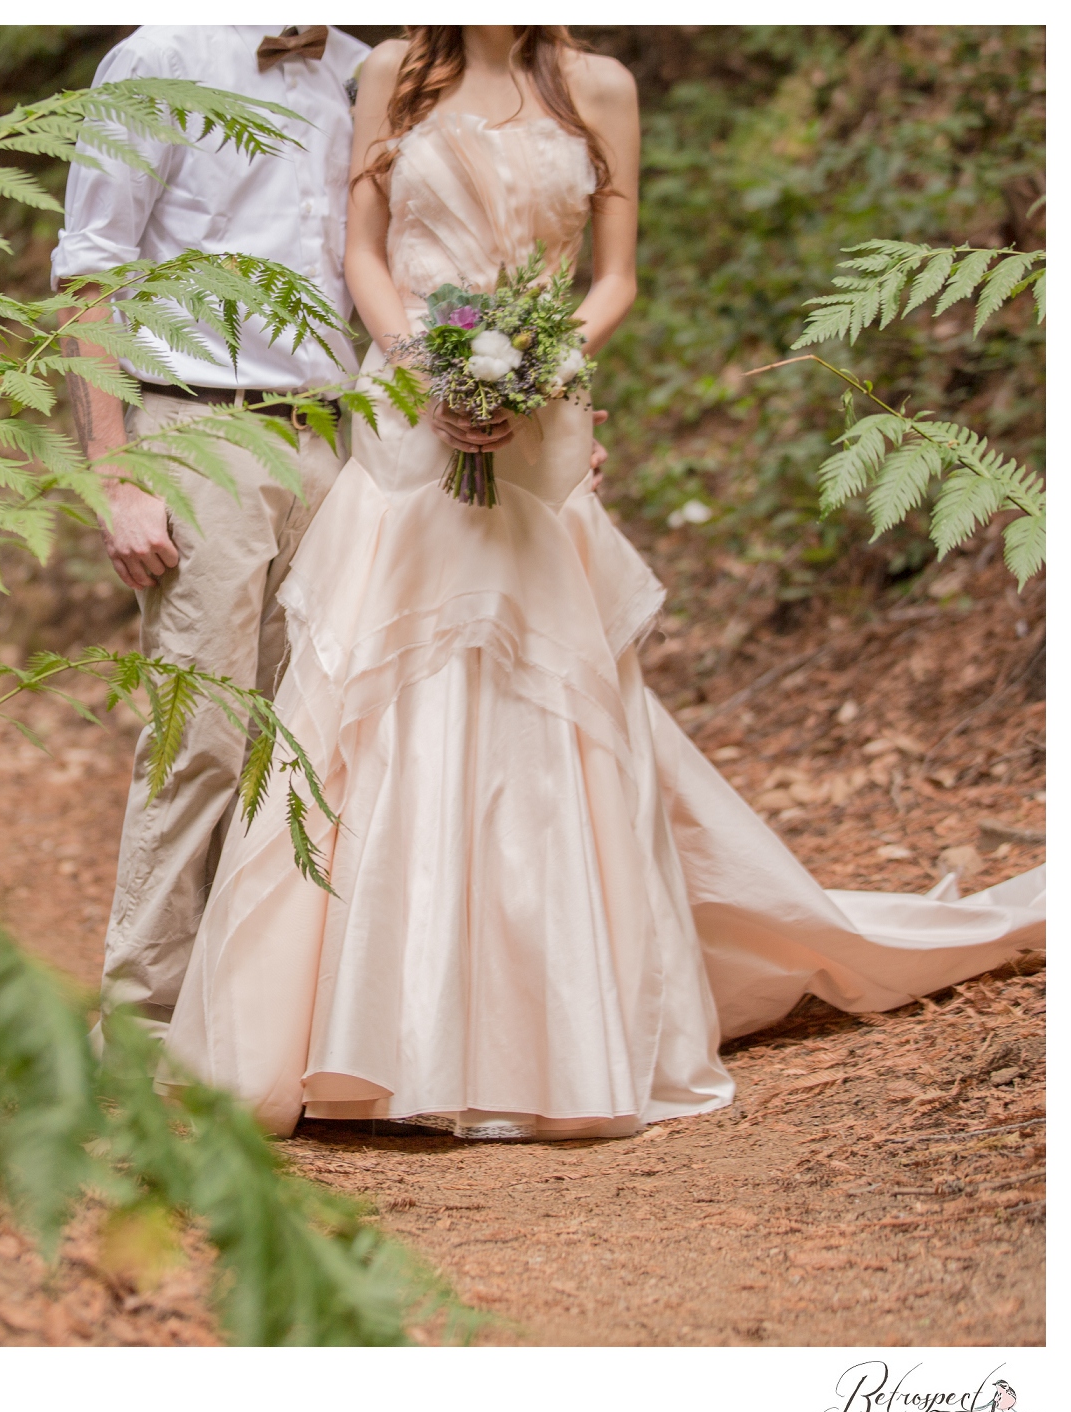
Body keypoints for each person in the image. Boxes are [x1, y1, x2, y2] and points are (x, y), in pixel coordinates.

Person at [161, 25, 1046, 1141]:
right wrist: (426, 368)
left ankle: (552, 1030)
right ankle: (356, 1028)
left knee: (546, 686)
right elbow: (363, 253)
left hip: (543, 411)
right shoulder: (391, 71)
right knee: (380, 679)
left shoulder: (602, 88)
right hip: (407, 415)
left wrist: (538, 370)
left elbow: (614, 276)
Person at [51, 24, 373, 1033]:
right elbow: (89, 275)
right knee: (200, 734)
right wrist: (117, 478)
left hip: (335, 444)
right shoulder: (159, 55)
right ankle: (142, 1023)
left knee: (309, 737)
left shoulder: (363, 70)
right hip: (197, 431)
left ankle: (253, 1023)